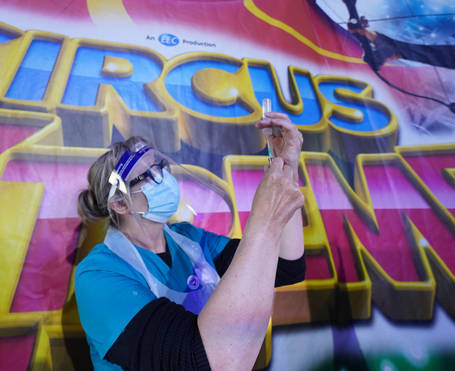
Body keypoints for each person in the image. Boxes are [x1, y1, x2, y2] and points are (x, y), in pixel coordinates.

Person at [75, 112, 306, 370]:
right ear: (120, 203)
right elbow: (193, 361)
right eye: (148, 175)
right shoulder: (98, 274)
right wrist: (263, 220)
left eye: (160, 167)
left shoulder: (188, 238)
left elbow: (285, 267)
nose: (163, 178)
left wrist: (287, 167)